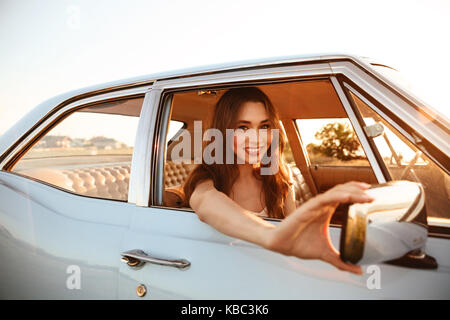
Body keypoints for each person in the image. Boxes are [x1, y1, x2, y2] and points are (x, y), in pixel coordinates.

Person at [182, 87, 373, 274]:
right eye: (243, 127)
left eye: (264, 126)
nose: (256, 139)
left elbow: (294, 235)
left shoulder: (279, 176)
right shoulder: (206, 179)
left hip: (277, 272)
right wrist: (270, 235)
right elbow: (206, 201)